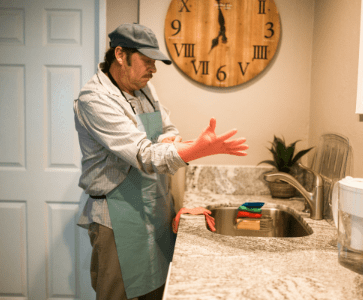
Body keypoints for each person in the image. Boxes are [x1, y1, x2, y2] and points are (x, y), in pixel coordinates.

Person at [73, 23, 248, 300]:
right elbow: (144, 155)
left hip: (155, 209)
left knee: (156, 292)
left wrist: (175, 143)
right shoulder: (95, 99)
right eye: (146, 61)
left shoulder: (144, 88)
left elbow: (169, 130)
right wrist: (196, 150)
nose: (153, 69)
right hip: (118, 218)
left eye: (154, 62)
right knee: (119, 294)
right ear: (120, 54)